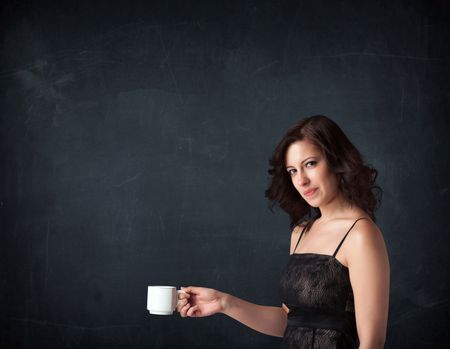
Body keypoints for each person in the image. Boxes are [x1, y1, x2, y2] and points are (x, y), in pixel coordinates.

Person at [177, 115, 390, 349]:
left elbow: (372, 343)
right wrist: (223, 302)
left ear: (335, 160)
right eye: (292, 171)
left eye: (310, 164)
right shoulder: (300, 233)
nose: (302, 180)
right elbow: (289, 321)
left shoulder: (361, 234)